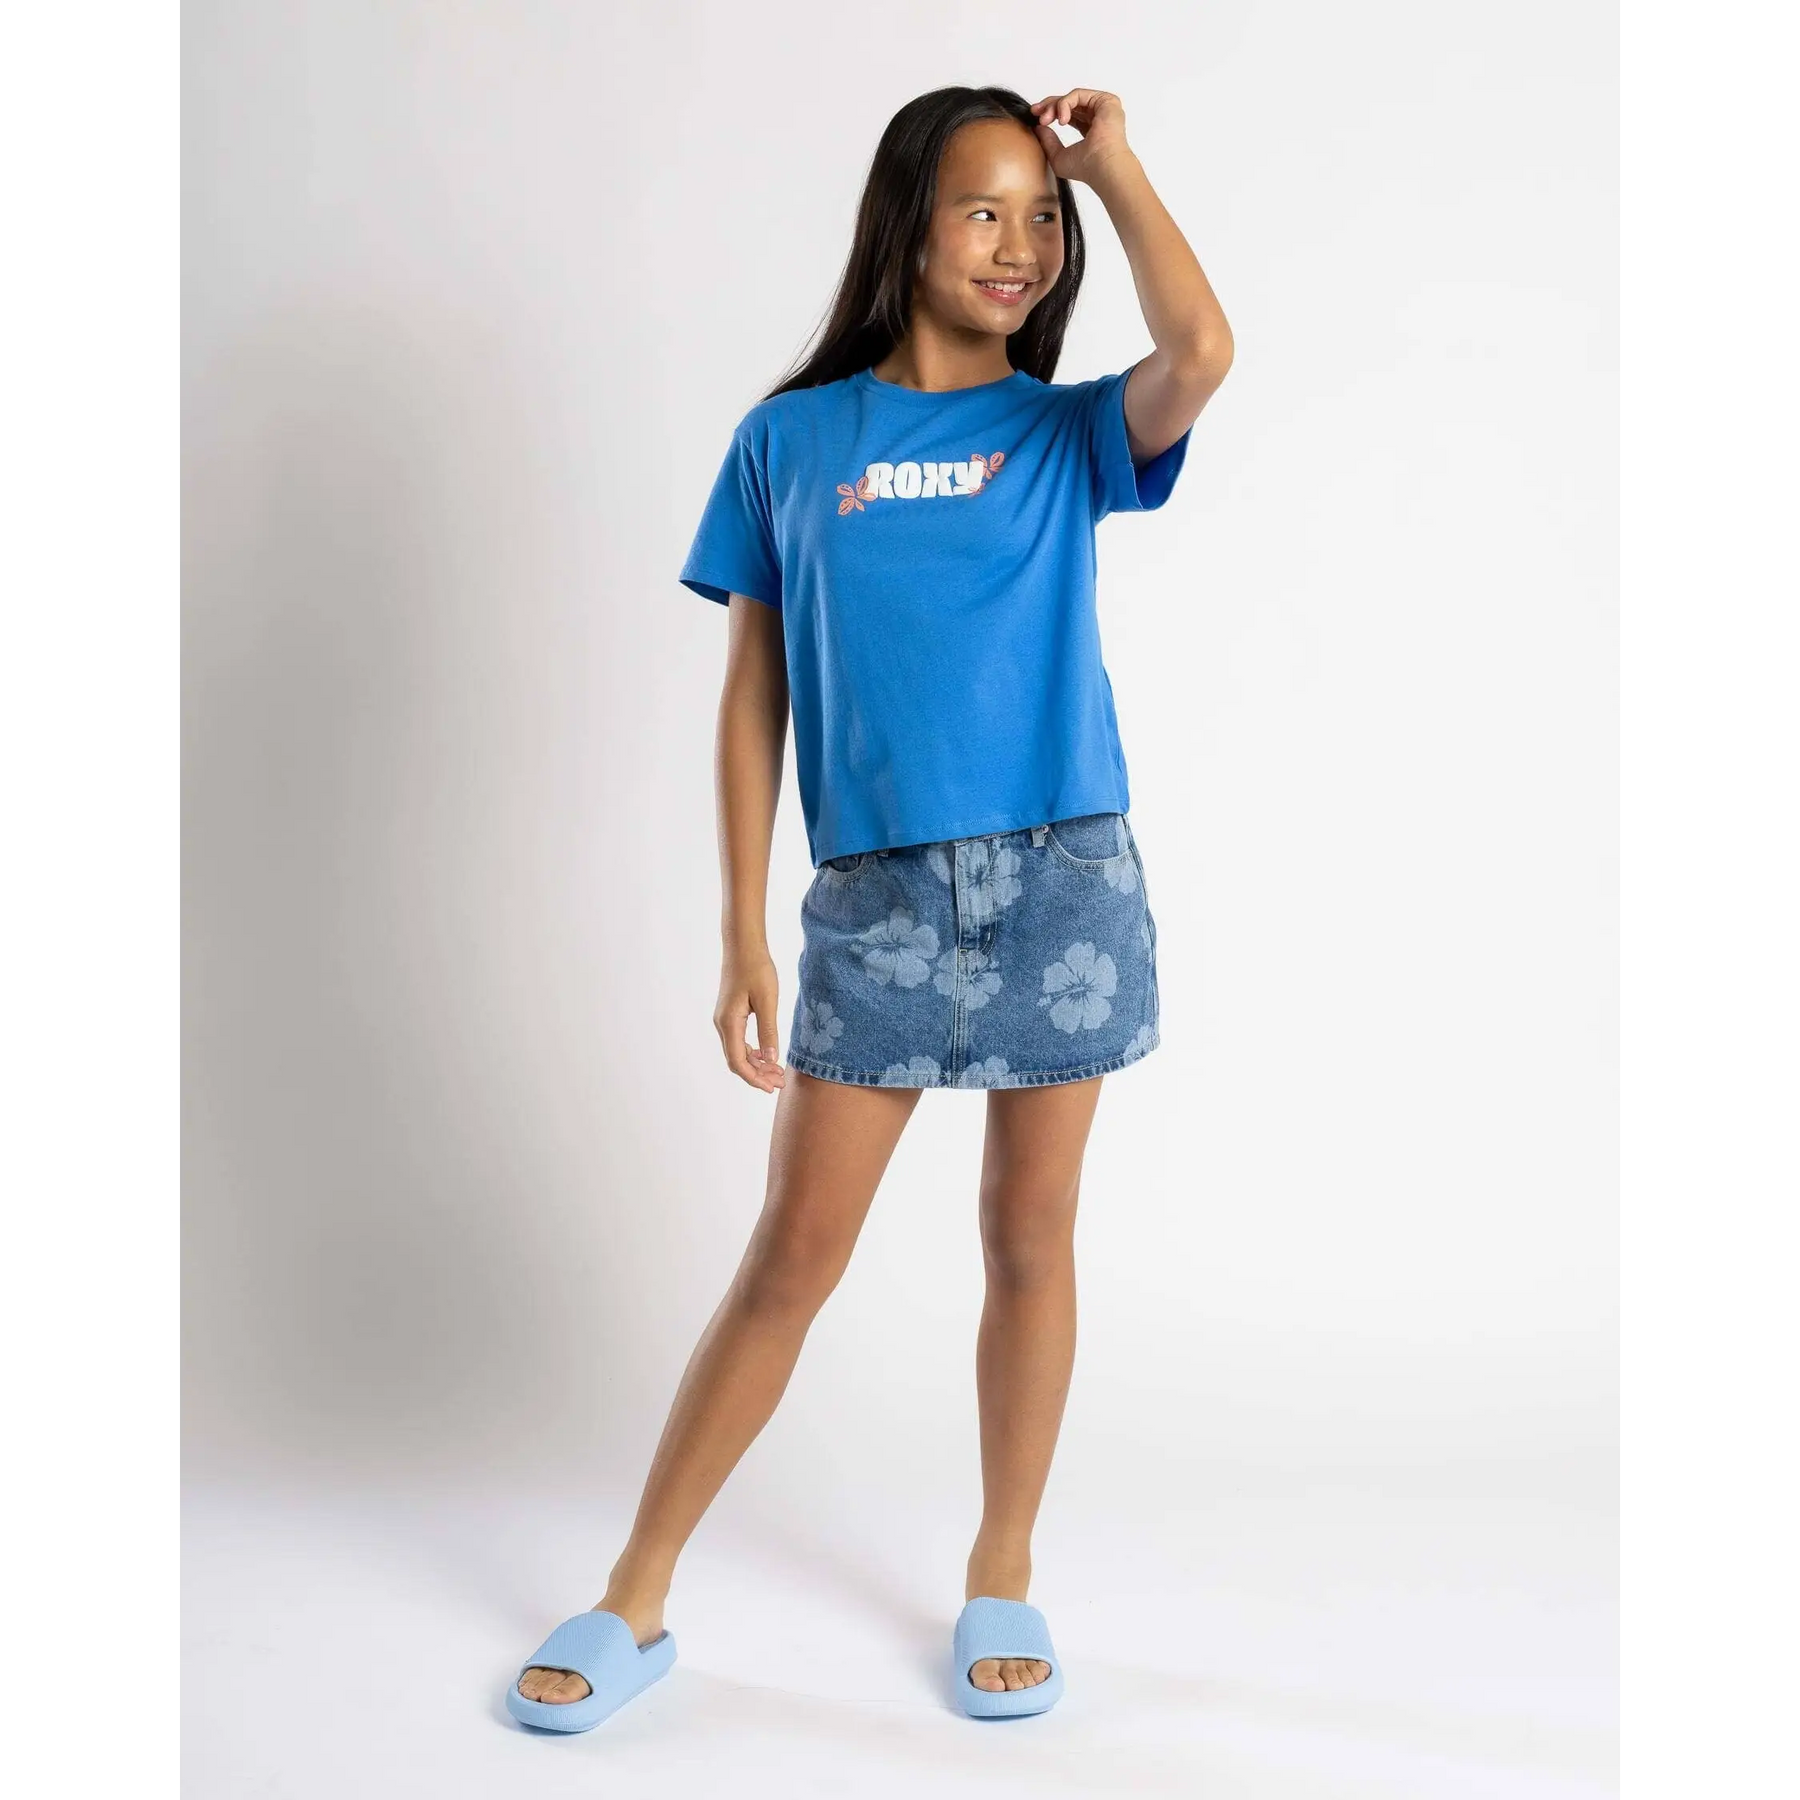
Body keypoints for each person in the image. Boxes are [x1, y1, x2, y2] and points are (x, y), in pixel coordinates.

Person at [506, 83, 1233, 1734]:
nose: (1020, 245)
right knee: (792, 1255)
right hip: (878, 904)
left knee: (1029, 1237)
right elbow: (752, 696)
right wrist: (740, 932)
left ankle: (1004, 1570)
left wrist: (1112, 169)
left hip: (1062, 881)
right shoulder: (793, 443)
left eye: (1040, 219)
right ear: (907, 225)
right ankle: (636, 1593)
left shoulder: (1069, 435)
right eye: (984, 209)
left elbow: (1204, 348)